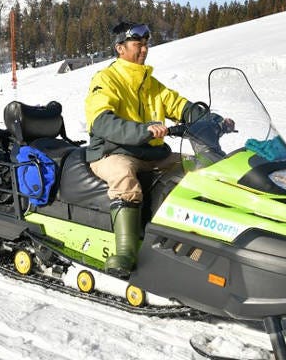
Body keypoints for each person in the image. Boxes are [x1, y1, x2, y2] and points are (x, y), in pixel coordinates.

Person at [84, 22, 233, 277]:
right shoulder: (105, 80)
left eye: (146, 43)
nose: (144, 49)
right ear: (120, 48)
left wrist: (213, 120)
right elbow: (101, 121)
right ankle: (125, 252)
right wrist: (142, 130)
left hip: (151, 154)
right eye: (137, 44)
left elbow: (179, 105)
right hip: (112, 152)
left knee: (196, 167)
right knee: (124, 176)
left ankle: (196, 238)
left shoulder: (150, 83)